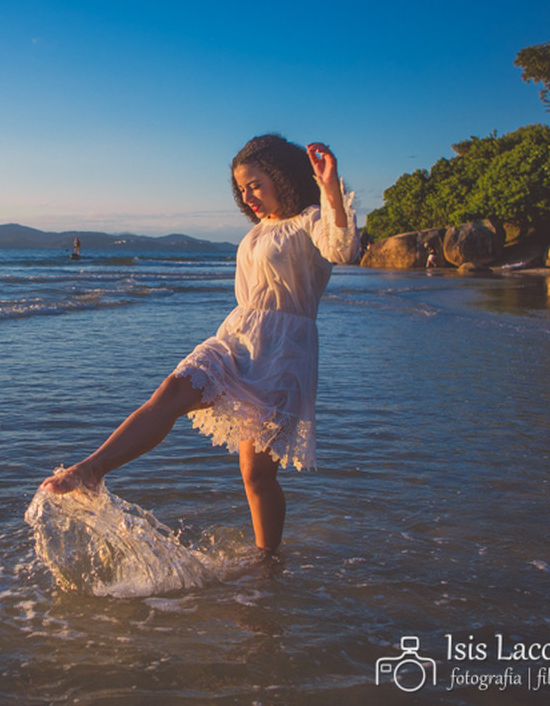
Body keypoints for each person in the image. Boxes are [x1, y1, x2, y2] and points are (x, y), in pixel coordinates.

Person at [41, 134, 357, 552]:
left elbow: (343, 249)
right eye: (241, 190)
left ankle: (267, 562)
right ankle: (92, 469)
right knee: (172, 391)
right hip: (236, 338)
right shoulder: (259, 232)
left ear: (280, 176)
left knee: (257, 474)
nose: (248, 198)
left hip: (283, 353)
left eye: (255, 185)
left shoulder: (310, 220)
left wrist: (331, 188)